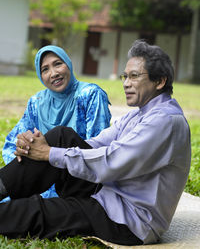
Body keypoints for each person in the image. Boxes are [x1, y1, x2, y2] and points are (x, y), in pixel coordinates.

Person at [0, 40, 191, 245]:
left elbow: (111, 161)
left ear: (160, 81)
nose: (126, 83)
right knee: (61, 136)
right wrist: (46, 147)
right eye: (125, 76)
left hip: (126, 219)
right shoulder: (140, 114)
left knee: (42, 211)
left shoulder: (165, 122)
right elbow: (96, 143)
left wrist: (49, 153)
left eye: (134, 76)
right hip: (108, 191)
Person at [2, 45, 111, 199]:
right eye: (45, 69)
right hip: (40, 178)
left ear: (68, 63)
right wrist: (23, 145)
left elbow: (97, 148)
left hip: (77, 178)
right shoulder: (37, 102)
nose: (53, 73)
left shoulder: (90, 95)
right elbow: (13, 143)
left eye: (58, 64)